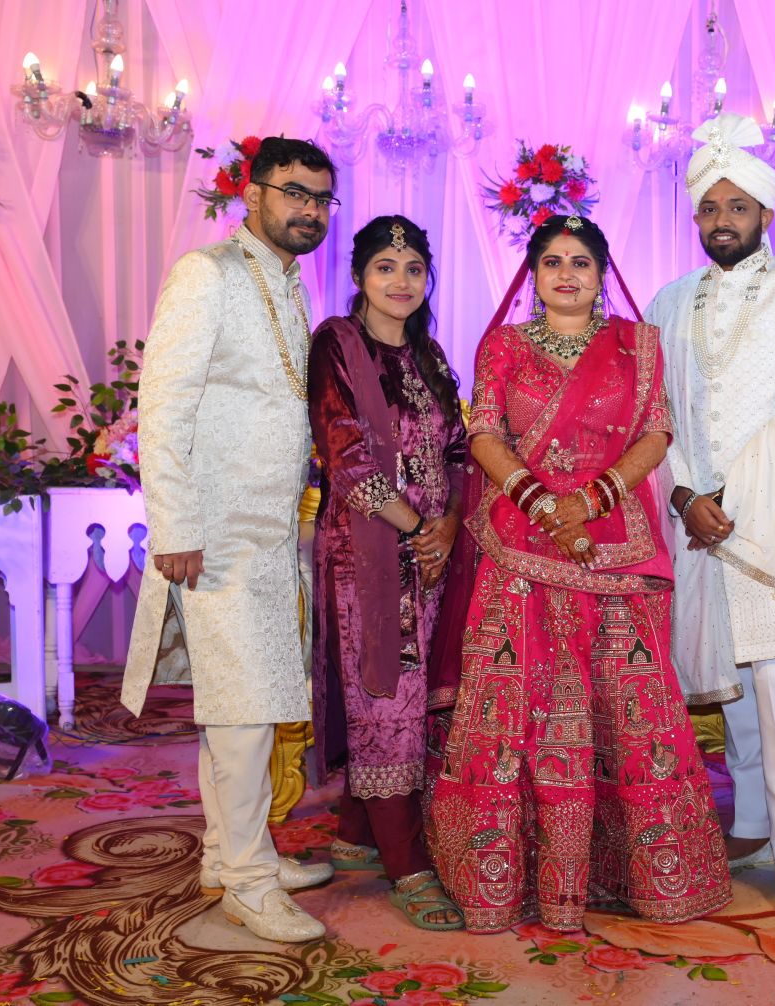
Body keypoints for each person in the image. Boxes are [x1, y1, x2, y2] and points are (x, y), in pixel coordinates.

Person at [428, 215, 731, 934]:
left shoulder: (638, 344)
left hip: (615, 545)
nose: (567, 274)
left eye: (581, 263)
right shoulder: (503, 344)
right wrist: (542, 504)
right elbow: (483, 431)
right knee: (517, 706)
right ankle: (509, 880)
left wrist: (589, 501)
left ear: (601, 275)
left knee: (627, 707)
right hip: (521, 546)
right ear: (533, 276)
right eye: (553, 262)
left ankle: (637, 873)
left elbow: (656, 431)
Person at [123, 137, 339, 942]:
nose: (308, 209)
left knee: (237, 706)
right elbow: (162, 405)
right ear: (253, 194)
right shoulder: (205, 274)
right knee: (245, 708)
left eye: (321, 197)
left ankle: (230, 853)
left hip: (271, 533)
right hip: (213, 533)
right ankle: (249, 882)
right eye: (294, 192)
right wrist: (176, 525)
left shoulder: (289, 284)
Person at [645, 113, 775, 912]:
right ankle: (754, 823)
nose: (722, 220)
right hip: (693, 523)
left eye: (737, 207)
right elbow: (654, 414)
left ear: (765, 212)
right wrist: (684, 495)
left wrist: (732, 497)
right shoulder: (668, 299)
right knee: (732, 684)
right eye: (710, 208)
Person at [307, 215, 466, 930]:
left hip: (430, 555)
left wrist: (449, 524)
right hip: (366, 558)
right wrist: (417, 527)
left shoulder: (429, 356)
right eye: (385, 267)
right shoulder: (338, 345)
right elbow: (345, 456)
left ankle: (357, 832)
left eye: (414, 268)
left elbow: (458, 451)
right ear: (358, 277)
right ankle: (408, 865)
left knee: (412, 696)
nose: (401, 281)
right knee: (384, 698)